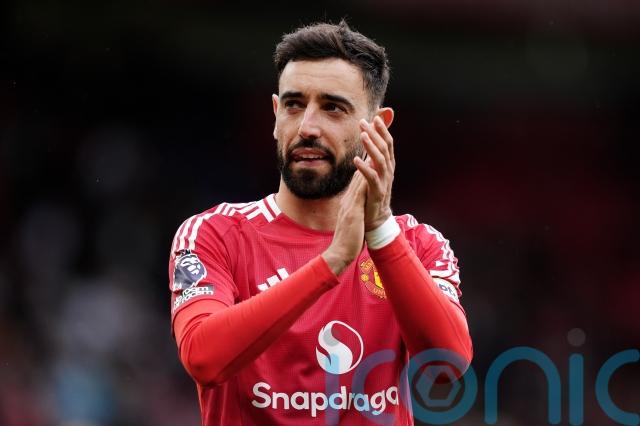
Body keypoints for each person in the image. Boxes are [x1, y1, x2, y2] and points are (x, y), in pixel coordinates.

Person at [168, 20, 472, 425]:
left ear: (378, 126)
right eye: (294, 105)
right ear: (275, 115)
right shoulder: (215, 234)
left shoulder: (418, 244)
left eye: (333, 108)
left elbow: (448, 367)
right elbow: (203, 358)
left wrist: (381, 233)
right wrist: (332, 262)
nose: (307, 127)